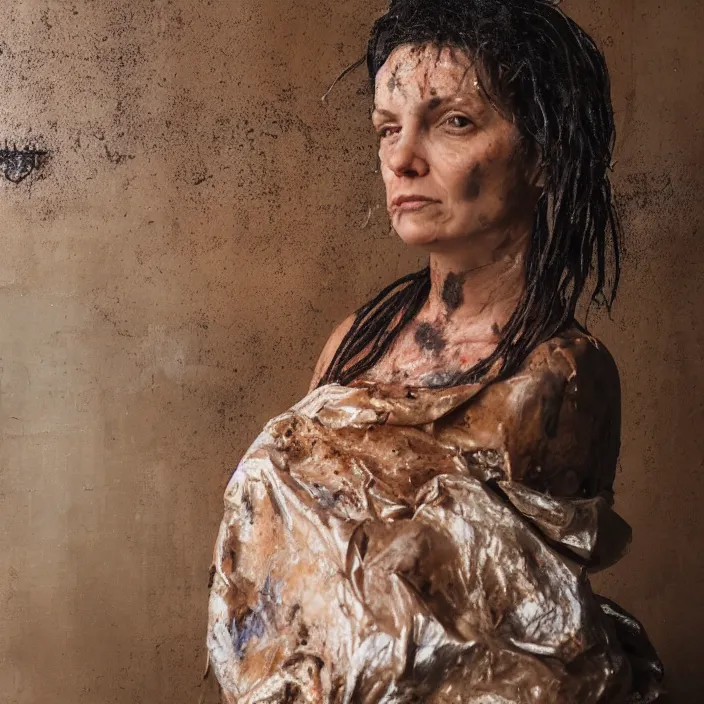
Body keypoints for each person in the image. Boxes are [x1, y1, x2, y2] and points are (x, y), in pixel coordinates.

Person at [206, 1, 663, 701]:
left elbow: (490, 633)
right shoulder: (358, 339)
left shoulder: (555, 379)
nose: (401, 157)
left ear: (543, 155)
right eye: (388, 128)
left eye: (453, 122)